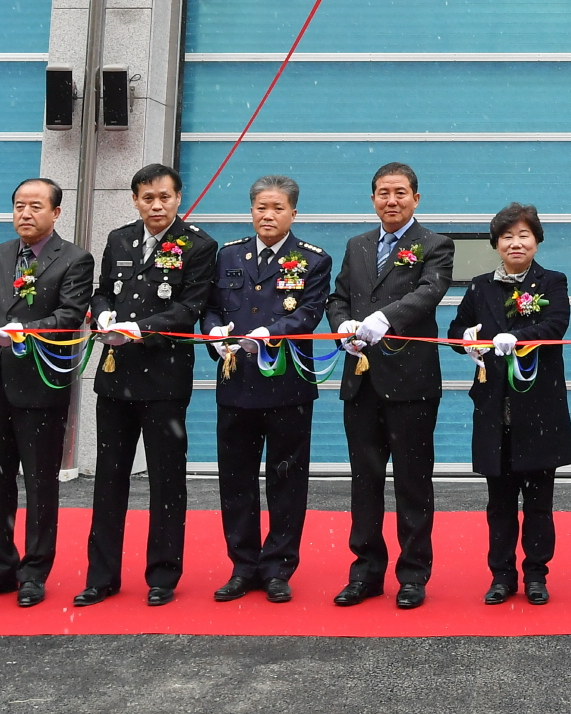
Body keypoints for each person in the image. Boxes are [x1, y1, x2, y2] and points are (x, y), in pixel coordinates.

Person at [76, 163, 219, 608]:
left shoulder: (198, 245)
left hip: (164, 378)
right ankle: (101, 576)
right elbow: (103, 290)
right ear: (135, 200)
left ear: (178, 198)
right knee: (109, 479)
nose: (156, 206)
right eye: (147, 198)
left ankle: (162, 574)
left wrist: (140, 329)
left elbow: (190, 308)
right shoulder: (120, 239)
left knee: (166, 480)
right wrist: (102, 312)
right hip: (115, 376)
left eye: (164, 197)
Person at [0, 178, 93, 609]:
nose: (25, 213)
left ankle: (34, 571)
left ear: (56, 212)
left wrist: (23, 331)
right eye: (19, 205)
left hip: (39, 385)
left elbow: (69, 316)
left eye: (36, 206)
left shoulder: (74, 259)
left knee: (39, 485)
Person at [326, 162, 453, 610]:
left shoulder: (435, 244)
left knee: (413, 483)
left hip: (411, 382)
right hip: (361, 381)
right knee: (365, 482)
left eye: (400, 193)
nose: (391, 200)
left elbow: (430, 291)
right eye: (383, 192)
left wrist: (385, 317)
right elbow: (338, 296)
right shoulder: (357, 245)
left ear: (416, 198)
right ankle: (365, 573)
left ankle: (413, 575)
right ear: (373, 198)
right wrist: (343, 325)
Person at [202, 175, 333, 604]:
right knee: (235, 479)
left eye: (278, 208)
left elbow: (309, 313)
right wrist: (213, 333)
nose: (268, 215)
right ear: (251, 211)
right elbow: (210, 308)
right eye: (261, 207)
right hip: (236, 384)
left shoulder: (313, 259)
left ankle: (278, 567)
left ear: (294, 212)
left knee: (286, 480)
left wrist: (270, 333)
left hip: (287, 387)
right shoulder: (228, 255)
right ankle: (242, 566)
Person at [448, 203, 571, 606]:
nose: (515, 243)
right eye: (507, 237)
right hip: (494, 410)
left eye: (523, 235)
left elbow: (556, 324)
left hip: (538, 409)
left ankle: (536, 574)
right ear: (496, 244)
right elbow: (455, 330)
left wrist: (520, 338)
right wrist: (466, 338)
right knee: (499, 503)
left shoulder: (552, 282)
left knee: (539, 503)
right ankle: (501, 575)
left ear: (536, 241)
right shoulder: (480, 286)